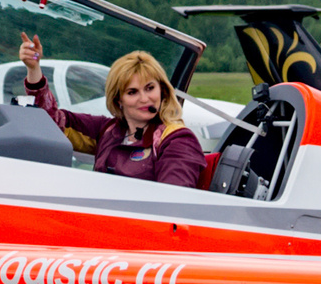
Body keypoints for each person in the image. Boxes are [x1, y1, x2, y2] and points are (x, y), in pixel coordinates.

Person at [17, 33, 205, 187]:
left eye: (150, 88)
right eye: (132, 92)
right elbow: (50, 122)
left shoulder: (177, 140)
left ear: (162, 91)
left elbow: (174, 205)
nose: (144, 98)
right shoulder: (108, 130)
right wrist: (34, 70)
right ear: (118, 100)